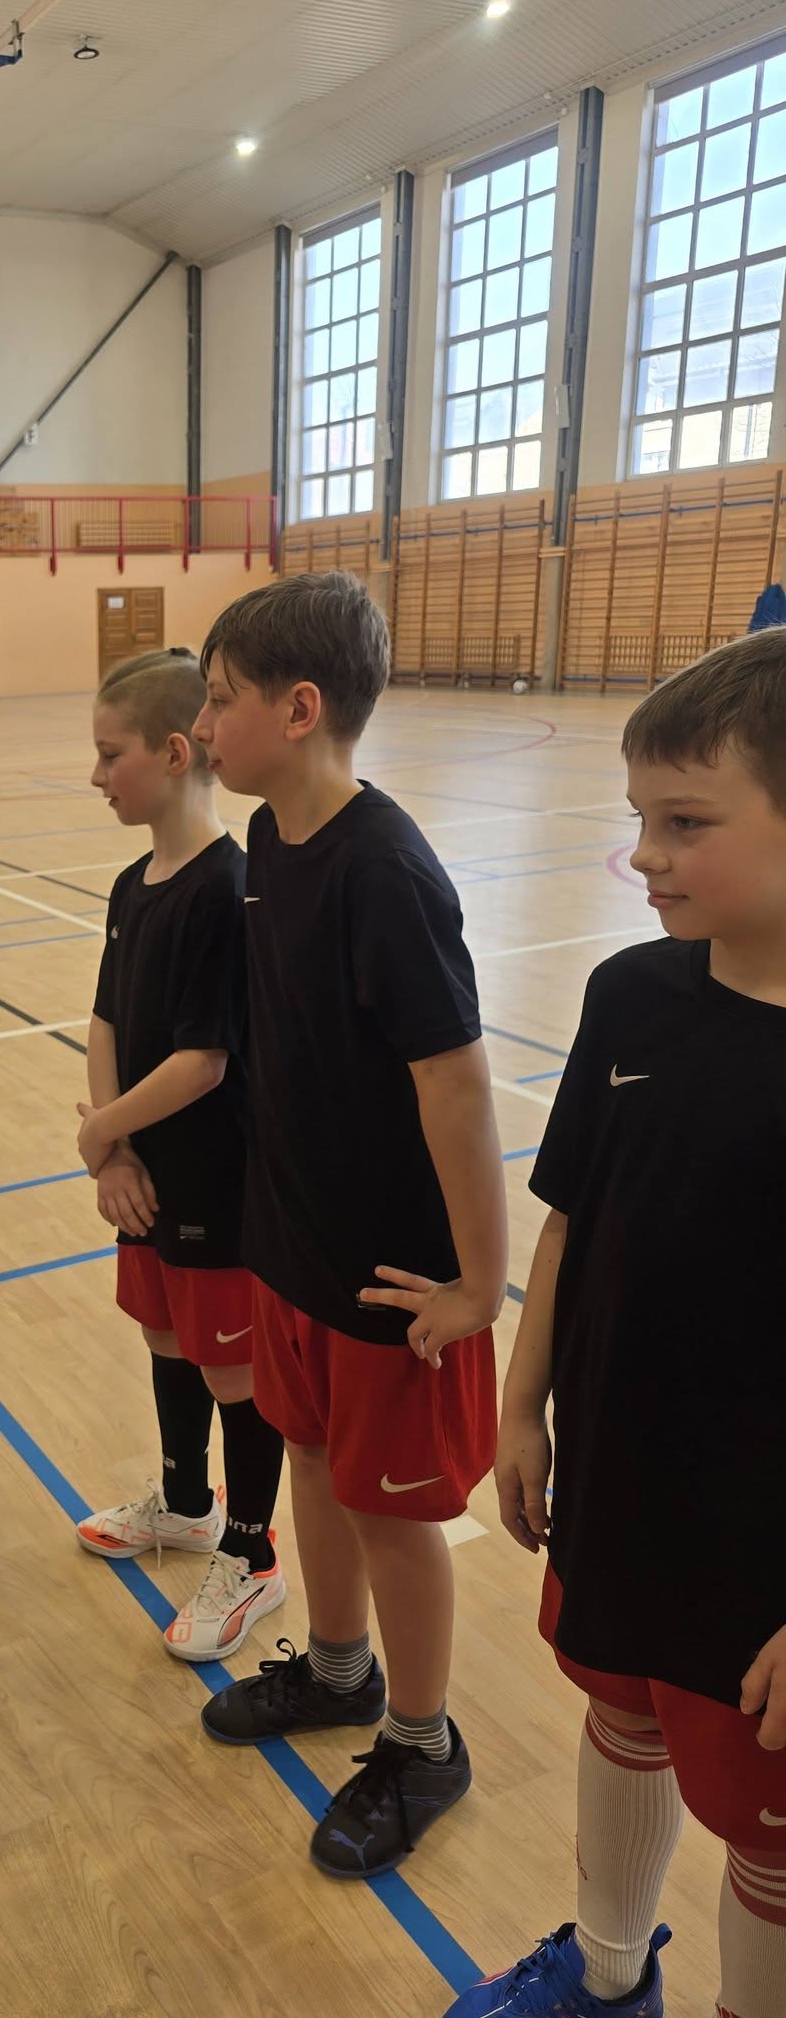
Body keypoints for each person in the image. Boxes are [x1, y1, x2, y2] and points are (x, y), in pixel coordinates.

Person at [446, 632, 786, 2018]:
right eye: (639, 817)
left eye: (687, 822)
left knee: (768, 1843)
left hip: (763, 1545)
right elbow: (572, 1217)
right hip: (621, 1474)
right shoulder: (631, 995)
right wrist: (521, 1405)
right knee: (620, 1711)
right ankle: (603, 1976)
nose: (644, 855)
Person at [191, 572, 506, 1876]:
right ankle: (336, 1668)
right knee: (311, 1460)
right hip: (294, 1244)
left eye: (220, 699)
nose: (202, 726)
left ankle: (424, 1742)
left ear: (299, 708)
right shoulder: (271, 843)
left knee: (394, 1513)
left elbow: (456, 1082)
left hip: (391, 1276)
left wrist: (478, 1282)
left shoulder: (386, 871)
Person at [74, 651, 288, 1662]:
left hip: (215, 1179)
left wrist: (100, 1128)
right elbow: (108, 1017)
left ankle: (252, 1553)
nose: (96, 774)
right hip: (144, 1175)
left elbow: (205, 1060)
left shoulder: (227, 889)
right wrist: (115, 1149)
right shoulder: (133, 883)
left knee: (230, 1365)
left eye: (108, 753)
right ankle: (187, 1503)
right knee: (166, 1334)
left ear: (170, 753)